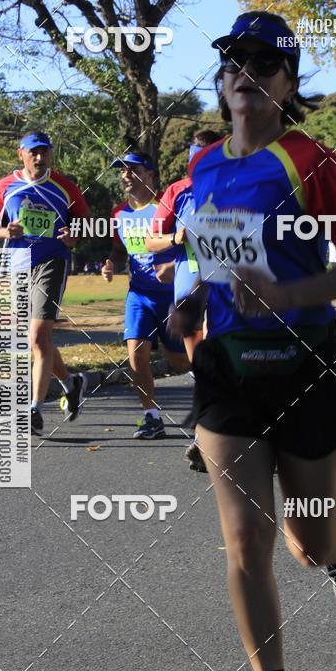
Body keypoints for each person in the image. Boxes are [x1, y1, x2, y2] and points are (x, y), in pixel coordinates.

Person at [170, 11, 336, 671]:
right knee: (244, 536)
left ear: (288, 85)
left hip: (307, 365)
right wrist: (189, 300)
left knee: (308, 539)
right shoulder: (201, 167)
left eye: (264, 63)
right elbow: (198, 256)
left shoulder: (311, 161)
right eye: (232, 62)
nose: (244, 74)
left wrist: (287, 296)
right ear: (222, 82)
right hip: (227, 367)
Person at [0, 131, 88, 435]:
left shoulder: (65, 187)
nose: (40, 158)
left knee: (39, 335)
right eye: (34, 152)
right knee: (36, 340)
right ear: (21, 154)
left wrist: (75, 236)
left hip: (51, 260)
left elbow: (85, 220)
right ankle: (72, 383)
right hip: (16, 263)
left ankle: (34, 410)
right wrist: (6, 232)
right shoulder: (5, 186)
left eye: (45, 152)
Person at [146, 128, 223, 470]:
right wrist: (175, 237)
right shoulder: (176, 192)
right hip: (188, 288)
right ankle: (209, 441)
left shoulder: (241, 186)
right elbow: (151, 241)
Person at [102, 151, 189, 438]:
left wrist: (172, 265)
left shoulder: (169, 203)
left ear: (149, 173)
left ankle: (217, 395)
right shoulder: (119, 213)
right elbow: (118, 247)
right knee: (135, 353)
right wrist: (111, 262)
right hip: (138, 294)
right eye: (122, 171)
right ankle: (150, 416)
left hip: (172, 295)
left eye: (132, 169)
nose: (126, 175)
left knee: (178, 361)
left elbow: (186, 241)